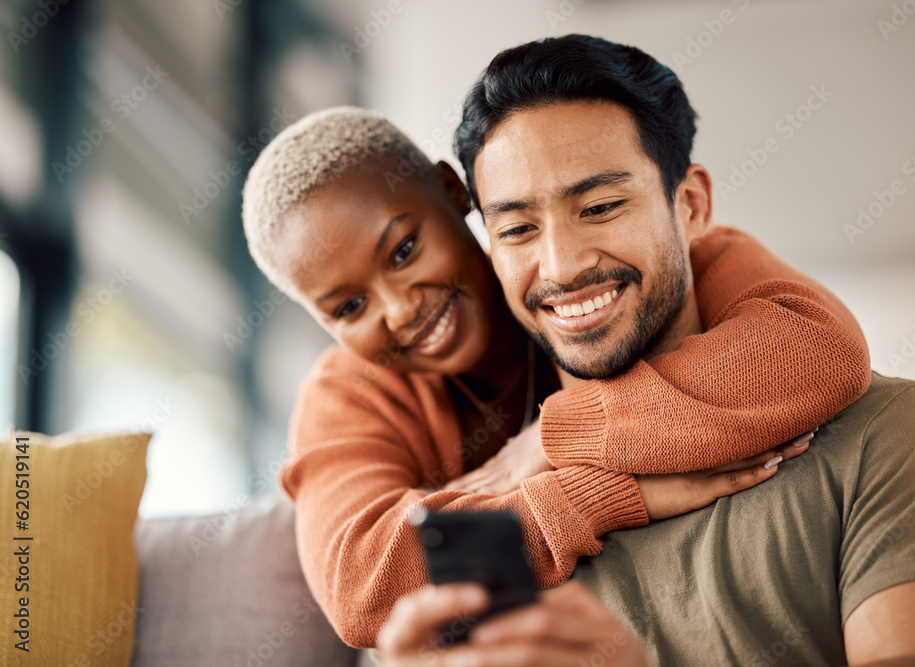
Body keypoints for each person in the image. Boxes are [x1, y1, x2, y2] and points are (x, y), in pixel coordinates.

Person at [374, 34, 915, 665]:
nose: (561, 265)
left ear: (691, 205)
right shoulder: (490, 525)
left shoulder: (886, 435)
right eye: (517, 229)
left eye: (600, 207)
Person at [241, 105, 870, 649]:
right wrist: (611, 496)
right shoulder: (345, 393)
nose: (400, 309)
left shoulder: (616, 271)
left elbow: (815, 352)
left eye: (404, 250)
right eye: (349, 308)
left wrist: (550, 438)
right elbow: (362, 587)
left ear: (453, 191)